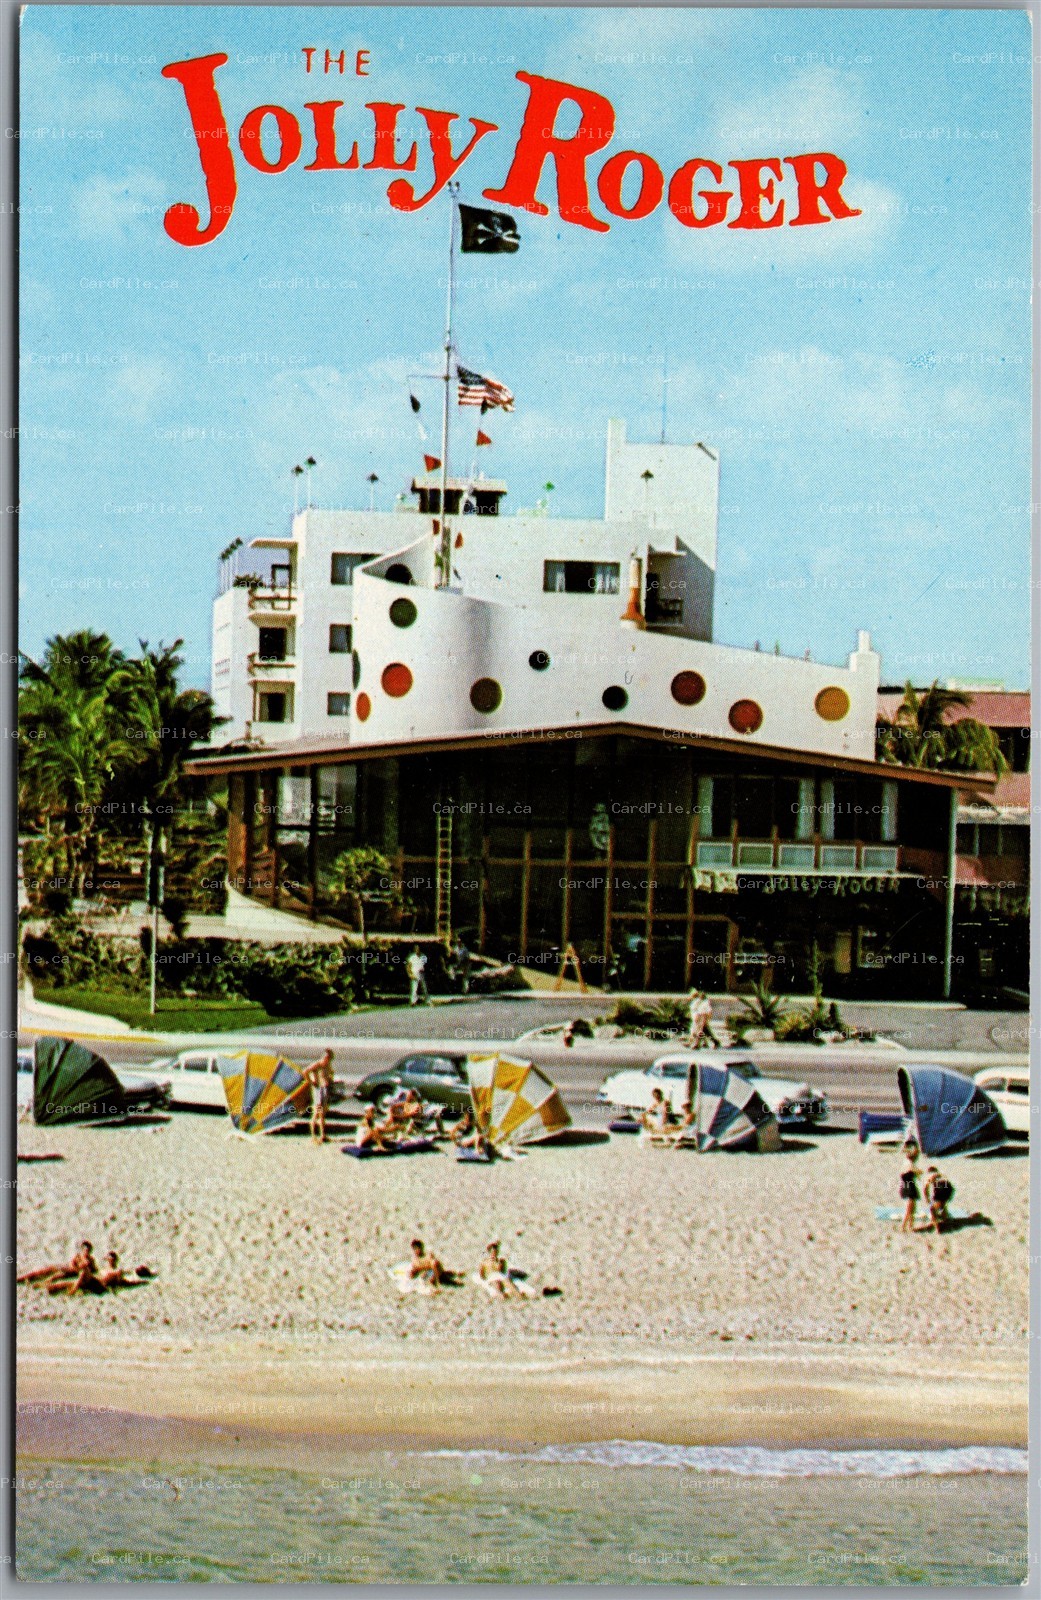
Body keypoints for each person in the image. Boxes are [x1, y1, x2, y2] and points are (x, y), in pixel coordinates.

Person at [303, 1048, 335, 1145]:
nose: (327, 1060)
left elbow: (331, 1073)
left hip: (324, 1088)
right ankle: (313, 1136)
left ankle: (322, 1135)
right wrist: (311, 1082)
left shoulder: (327, 1065)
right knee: (316, 1112)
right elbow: (305, 1071)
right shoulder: (317, 1064)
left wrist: (329, 1079)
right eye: (326, 1058)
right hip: (318, 1089)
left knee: (322, 1113)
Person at [925, 1166, 955, 1232]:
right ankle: (945, 1221)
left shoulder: (931, 1175)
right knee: (943, 1207)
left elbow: (926, 1188)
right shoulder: (941, 1175)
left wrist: (927, 1198)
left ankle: (937, 1227)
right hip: (948, 1188)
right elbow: (950, 1187)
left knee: (932, 1209)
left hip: (941, 1187)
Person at [899, 1160, 920, 1232]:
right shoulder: (910, 1166)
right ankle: (904, 1226)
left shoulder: (905, 1166)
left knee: (911, 1209)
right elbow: (919, 1172)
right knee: (910, 1209)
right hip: (910, 1188)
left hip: (907, 1187)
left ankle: (910, 1226)